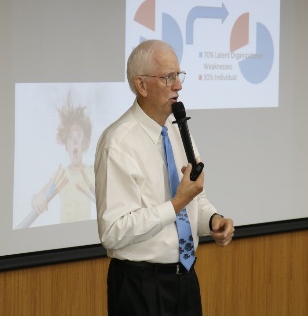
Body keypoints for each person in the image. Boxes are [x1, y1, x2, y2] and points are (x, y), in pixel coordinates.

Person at [94, 39, 235, 316]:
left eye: (179, 75)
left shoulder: (177, 128)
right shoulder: (118, 143)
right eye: (168, 77)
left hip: (185, 278)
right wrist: (176, 204)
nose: (178, 86)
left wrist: (212, 220)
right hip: (140, 285)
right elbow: (113, 232)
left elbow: (194, 197)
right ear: (141, 85)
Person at [30, 92, 95, 224]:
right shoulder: (60, 175)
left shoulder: (92, 172)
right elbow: (37, 197)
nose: (74, 140)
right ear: (66, 146)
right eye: (71, 137)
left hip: (86, 233)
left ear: (84, 143)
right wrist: (37, 199)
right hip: (66, 234)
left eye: (78, 135)